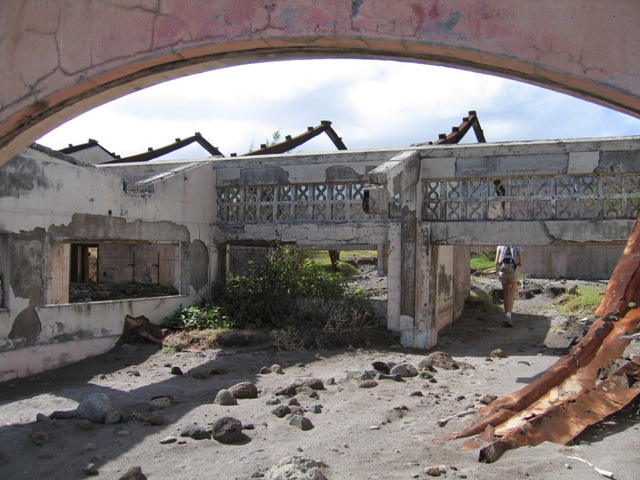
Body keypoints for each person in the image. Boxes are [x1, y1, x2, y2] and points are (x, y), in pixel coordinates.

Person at [495, 245, 524, 327]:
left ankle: (506, 316)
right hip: (513, 272)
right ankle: (508, 316)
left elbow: (496, 262)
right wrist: (513, 265)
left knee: (505, 294)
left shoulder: (500, 246)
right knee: (511, 294)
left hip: (503, 272)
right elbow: (521, 263)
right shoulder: (518, 247)